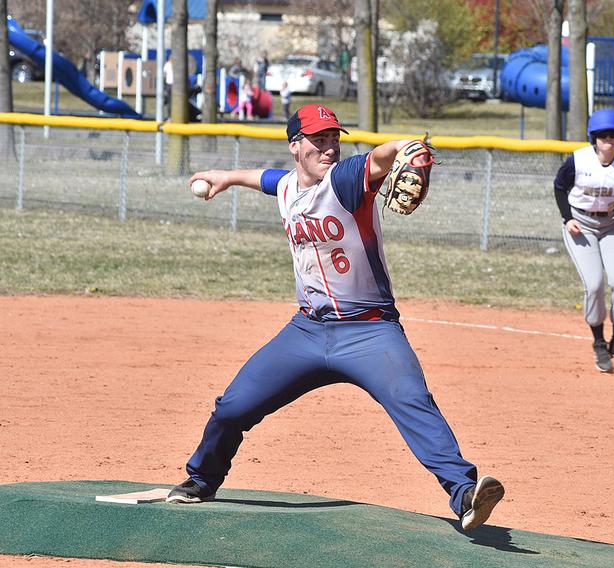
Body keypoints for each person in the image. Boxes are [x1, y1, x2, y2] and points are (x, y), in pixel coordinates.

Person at [167, 104, 505, 533]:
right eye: (318, 139)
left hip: (370, 331)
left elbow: (379, 159)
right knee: (233, 406)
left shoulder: (344, 181)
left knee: (413, 403)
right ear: (295, 146)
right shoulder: (289, 185)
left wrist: (408, 148)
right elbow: (267, 179)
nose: (329, 147)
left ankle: (466, 494)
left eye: (334, 139)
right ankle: (201, 481)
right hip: (307, 331)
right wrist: (226, 177)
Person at [553, 108, 614, 373]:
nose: (608, 139)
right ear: (593, 137)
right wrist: (566, 217)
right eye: (603, 135)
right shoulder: (578, 160)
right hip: (580, 224)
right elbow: (560, 187)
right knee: (594, 285)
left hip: (612, 225)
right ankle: (598, 343)